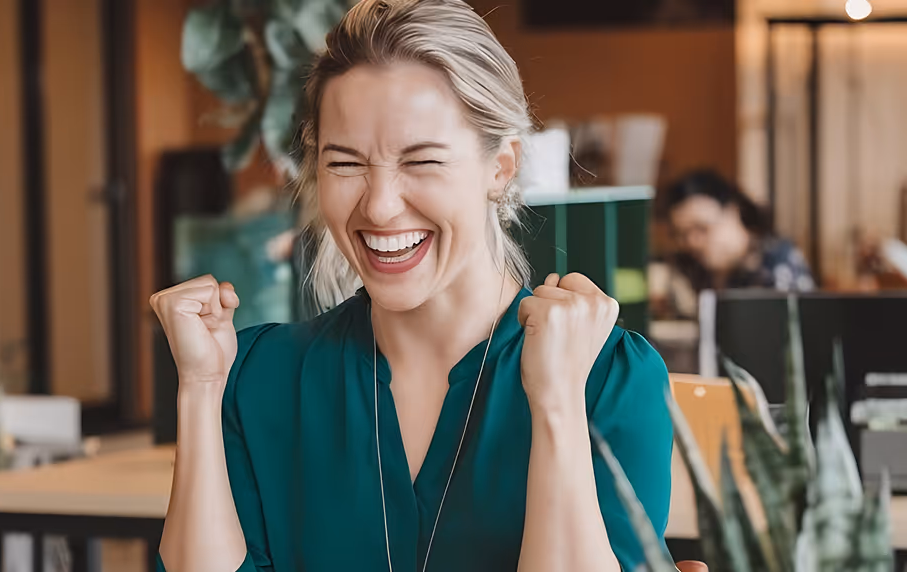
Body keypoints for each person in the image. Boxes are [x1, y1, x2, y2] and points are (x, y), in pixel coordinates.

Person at [149, 1, 672, 571]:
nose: (378, 205)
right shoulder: (257, 376)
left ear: (500, 167)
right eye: (345, 164)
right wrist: (200, 386)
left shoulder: (608, 379)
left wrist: (556, 404)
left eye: (421, 161)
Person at [654, 170, 815, 319]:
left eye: (702, 228)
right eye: (682, 235)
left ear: (733, 211)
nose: (692, 242)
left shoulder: (777, 263)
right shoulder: (696, 267)